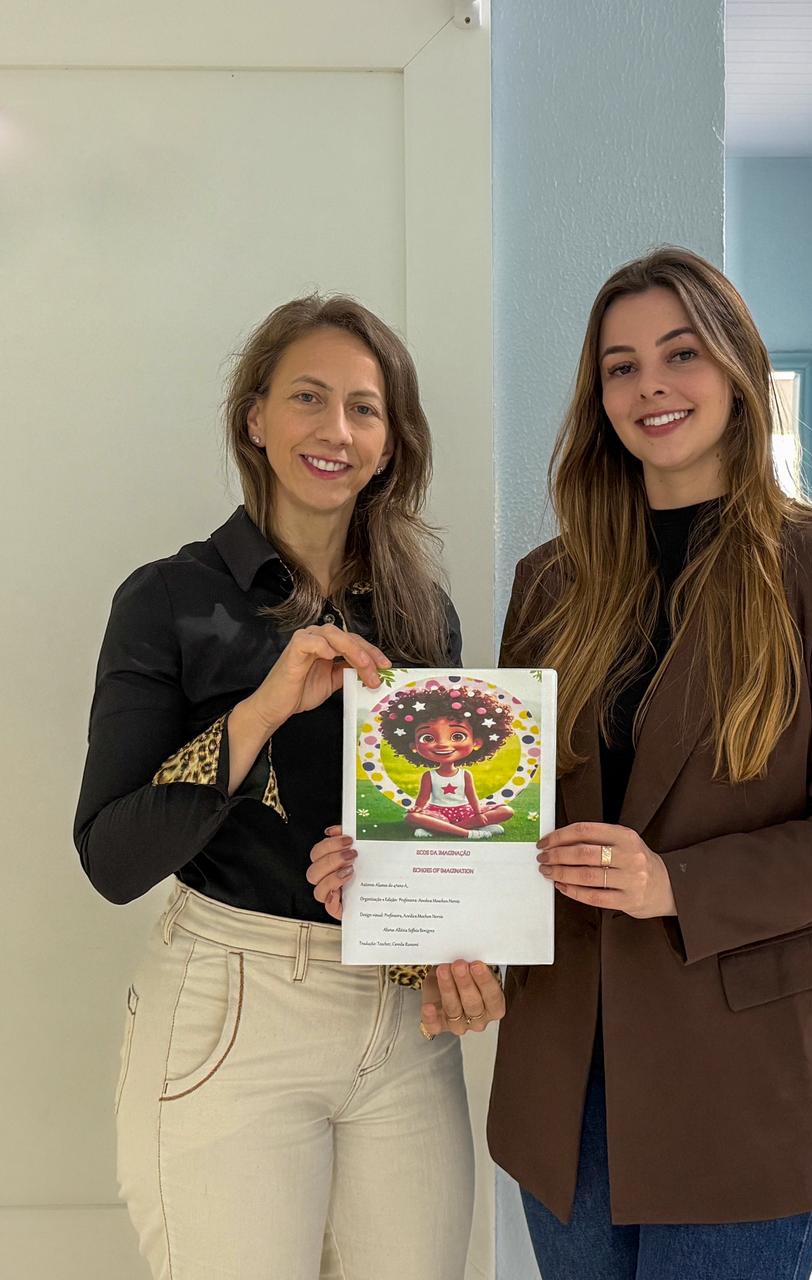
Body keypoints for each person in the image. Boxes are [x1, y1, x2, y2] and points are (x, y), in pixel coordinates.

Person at [487, 247, 812, 1280]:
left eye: (680, 353)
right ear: (598, 398)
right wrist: (410, 884)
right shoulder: (550, 584)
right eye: (621, 366)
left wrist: (672, 882)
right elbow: (506, 811)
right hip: (567, 1076)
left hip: (746, 1082)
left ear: (736, 367)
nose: (652, 386)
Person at [75, 295, 504, 1280]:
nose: (336, 429)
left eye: (365, 408)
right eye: (308, 397)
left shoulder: (421, 612)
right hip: (235, 1006)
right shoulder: (169, 599)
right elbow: (112, 856)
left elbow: (436, 840)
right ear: (255, 418)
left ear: (389, 446)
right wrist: (264, 706)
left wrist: (456, 947)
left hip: (400, 1025)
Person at [375, 682, 516, 838]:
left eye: (458, 736)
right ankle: (469, 832)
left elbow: (472, 796)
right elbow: (422, 798)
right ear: (413, 746)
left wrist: (478, 813)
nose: (442, 744)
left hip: (465, 811)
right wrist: (417, 809)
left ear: (476, 742)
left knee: (506, 810)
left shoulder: (465, 774)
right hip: (437, 813)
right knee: (411, 817)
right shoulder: (429, 775)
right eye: (427, 738)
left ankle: (438, 829)